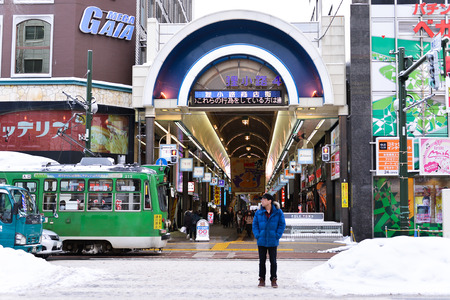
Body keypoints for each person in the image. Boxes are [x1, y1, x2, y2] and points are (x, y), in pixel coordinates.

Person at [252, 193, 286, 288]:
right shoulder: (258, 212)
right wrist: (257, 235)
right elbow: (255, 225)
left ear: (269, 201)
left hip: (272, 240)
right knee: (262, 261)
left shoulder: (278, 212)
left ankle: (273, 279)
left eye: (263, 199)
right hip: (261, 240)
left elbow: (282, 224)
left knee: (273, 261)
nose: (261, 201)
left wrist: (277, 235)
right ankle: (261, 279)